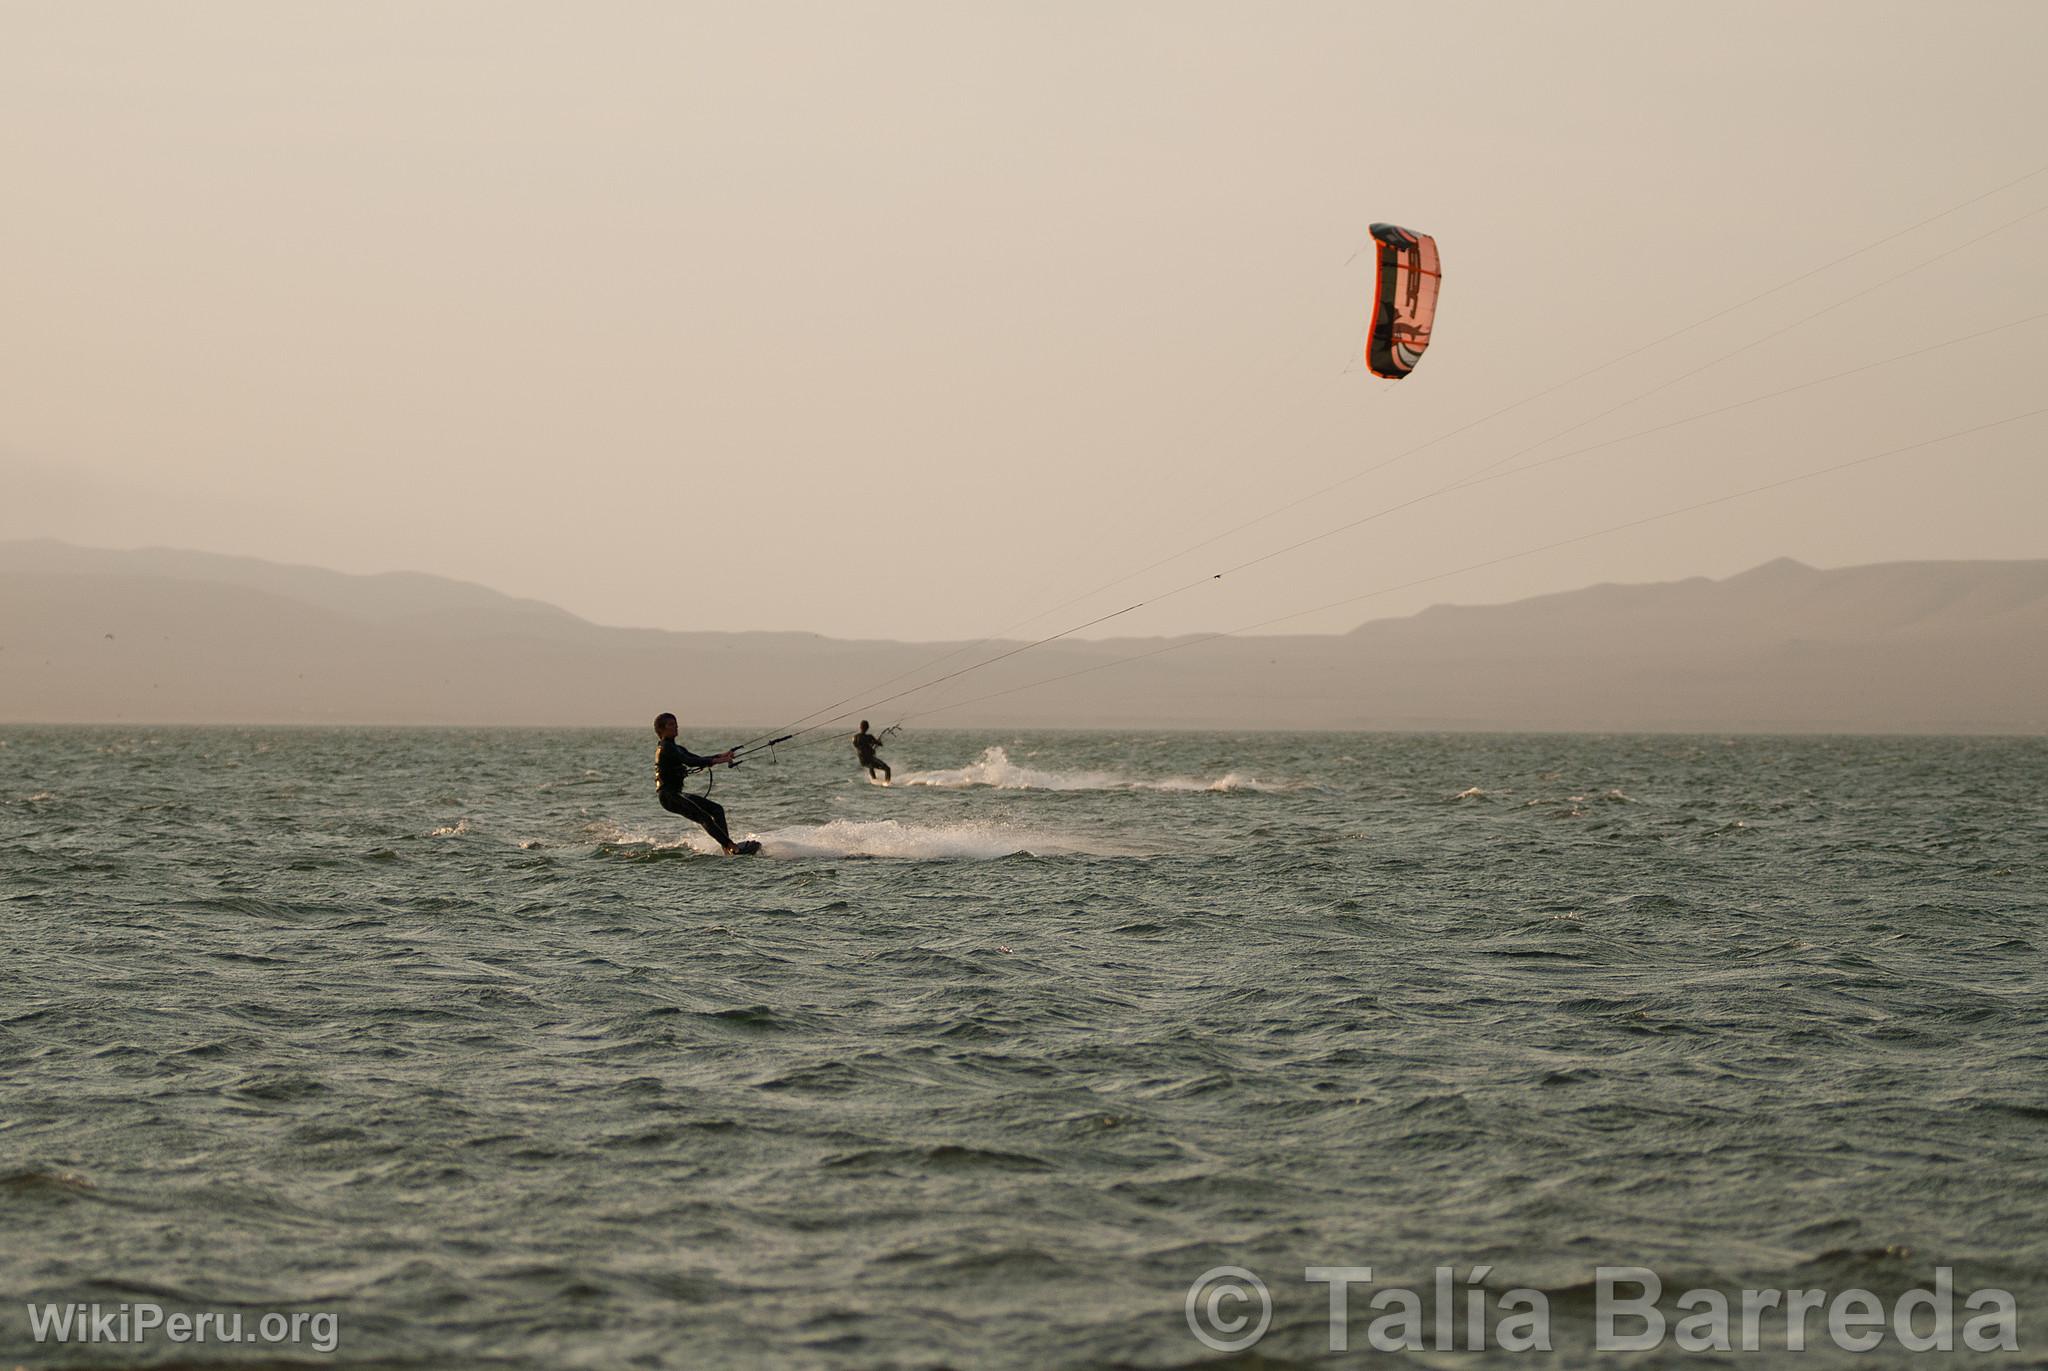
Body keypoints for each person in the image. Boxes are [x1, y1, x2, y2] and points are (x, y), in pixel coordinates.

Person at [653, 712, 760, 855]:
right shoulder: (666, 747)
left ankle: (727, 848)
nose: (676, 726)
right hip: (668, 796)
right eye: (671, 724)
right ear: (661, 729)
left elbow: (697, 758)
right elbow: (690, 762)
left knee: (717, 809)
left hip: (677, 794)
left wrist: (722, 755)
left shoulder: (677, 748)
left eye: (676, 723)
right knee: (703, 817)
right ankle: (732, 847)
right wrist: (718, 761)